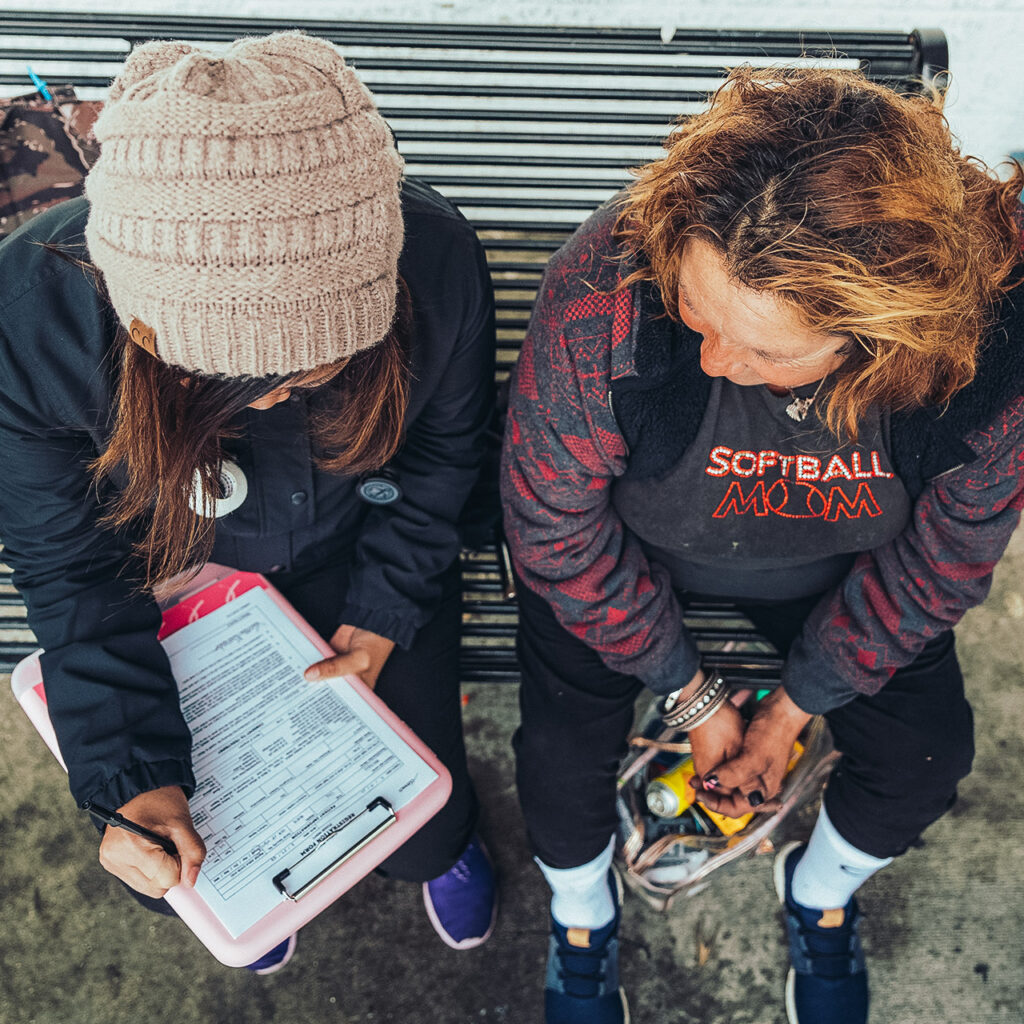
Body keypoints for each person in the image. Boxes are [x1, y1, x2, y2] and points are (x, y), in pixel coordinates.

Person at [502, 65, 1024, 1024]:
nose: (713, 361)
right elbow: (552, 527)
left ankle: (818, 892)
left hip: (840, 573)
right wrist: (695, 697)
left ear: (881, 334)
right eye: (698, 313)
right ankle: (582, 910)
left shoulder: (985, 361)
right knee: (556, 767)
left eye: (767, 352)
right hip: (629, 559)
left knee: (926, 761)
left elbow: (945, 561)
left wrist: (793, 712)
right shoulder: (604, 291)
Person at [0, 31, 498, 972]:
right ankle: (262, 902)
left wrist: (388, 608)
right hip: (166, 569)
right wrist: (132, 782)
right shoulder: (33, 319)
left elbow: (444, 458)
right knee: (208, 859)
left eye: (315, 365)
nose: (278, 399)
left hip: (363, 549)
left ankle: (446, 846)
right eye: (228, 381)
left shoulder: (434, 261)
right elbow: (69, 564)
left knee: (426, 828)